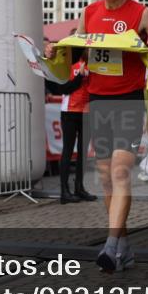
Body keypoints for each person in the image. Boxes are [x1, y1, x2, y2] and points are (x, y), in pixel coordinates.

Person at [45, 0, 148, 273]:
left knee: (119, 172)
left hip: (129, 101)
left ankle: (110, 245)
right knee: (105, 178)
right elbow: (75, 50)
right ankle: (124, 247)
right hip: (97, 102)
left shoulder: (142, 14)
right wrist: (53, 51)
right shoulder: (89, 13)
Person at [52, 52, 98, 203]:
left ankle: (79, 188)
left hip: (87, 113)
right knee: (68, 150)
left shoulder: (97, 69)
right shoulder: (70, 68)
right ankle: (64, 191)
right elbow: (64, 89)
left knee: (83, 152)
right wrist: (80, 76)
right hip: (70, 112)